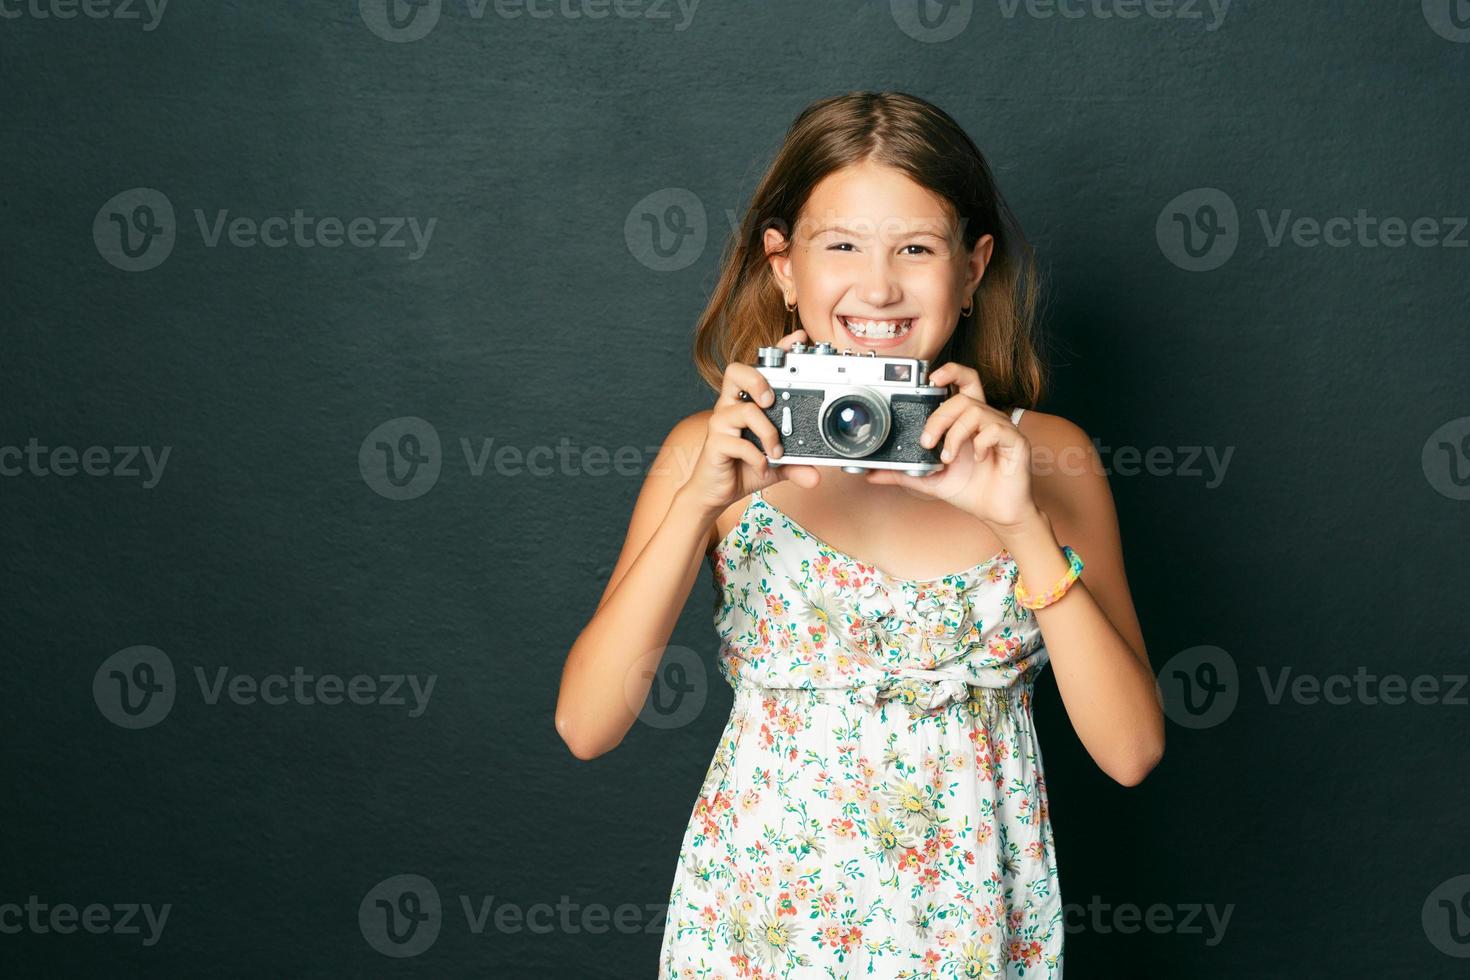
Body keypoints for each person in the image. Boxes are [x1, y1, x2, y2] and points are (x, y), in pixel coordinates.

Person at [556, 90, 1164, 979]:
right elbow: (585, 725)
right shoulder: (709, 454)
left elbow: (1131, 752)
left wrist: (1018, 521)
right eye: (841, 246)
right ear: (783, 265)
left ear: (971, 268)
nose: (878, 287)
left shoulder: (1046, 456)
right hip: (758, 930)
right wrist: (695, 506)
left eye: (916, 249)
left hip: (969, 938)